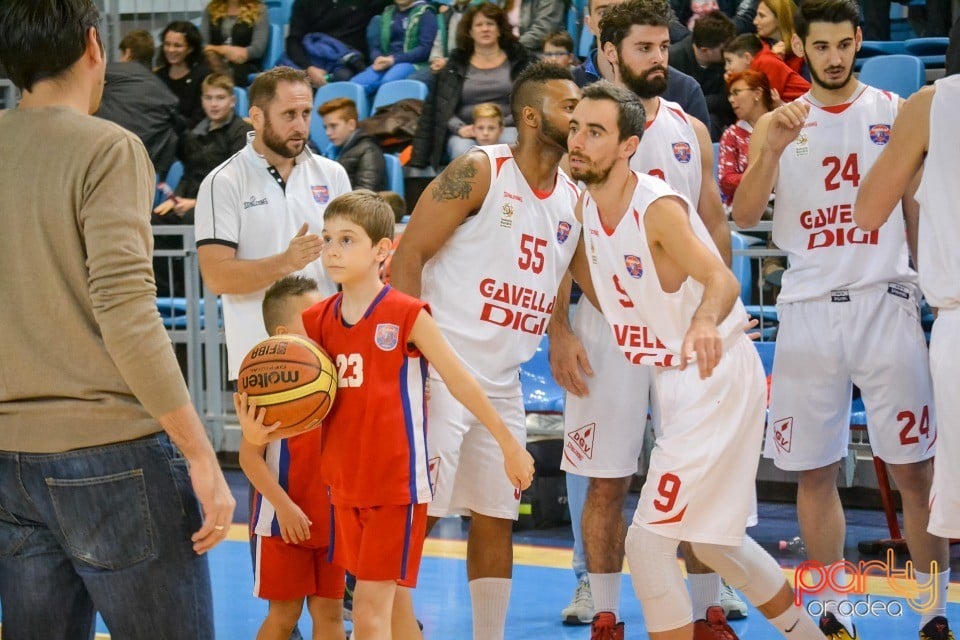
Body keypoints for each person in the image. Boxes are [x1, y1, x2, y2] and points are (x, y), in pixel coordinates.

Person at [0, 2, 235, 639]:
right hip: (111, 454)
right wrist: (200, 455)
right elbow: (127, 311)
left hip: (9, 461)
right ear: (92, 47)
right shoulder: (109, 147)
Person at [565, 78, 826, 640]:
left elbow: (722, 279)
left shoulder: (654, 206)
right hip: (681, 377)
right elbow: (597, 279)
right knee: (712, 540)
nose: (578, 141)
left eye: (595, 131)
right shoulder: (585, 205)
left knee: (649, 540)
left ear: (628, 145)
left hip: (714, 372)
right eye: (575, 128)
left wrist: (705, 319)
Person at [732, 2, 951, 638]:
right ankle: (833, 609)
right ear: (802, 45)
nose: (832, 57)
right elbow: (745, 216)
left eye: (842, 45)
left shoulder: (892, 109)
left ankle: (932, 612)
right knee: (814, 469)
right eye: (820, 46)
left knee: (917, 470)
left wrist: (929, 288)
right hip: (807, 312)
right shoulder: (778, 121)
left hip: (886, 301)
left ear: (858, 42)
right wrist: (769, 151)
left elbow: (912, 206)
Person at [242, 190, 536, 640]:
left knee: (367, 611)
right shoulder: (319, 320)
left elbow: (460, 380)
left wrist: (509, 444)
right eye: (328, 239)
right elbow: (289, 393)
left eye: (347, 240)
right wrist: (255, 428)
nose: (333, 250)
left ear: (382, 250)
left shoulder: (406, 313)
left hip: (393, 487)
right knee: (394, 602)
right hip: (340, 488)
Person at [549, 2, 740, 638]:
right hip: (607, 328)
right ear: (608, 52)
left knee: (698, 471)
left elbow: (714, 225)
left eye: (665, 45)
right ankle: (602, 603)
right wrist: (561, 329)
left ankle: (710, 603)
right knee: (605, 477)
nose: (660, 57)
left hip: (684, 329)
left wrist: (723, 316)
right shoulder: (577, 138)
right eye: (644, 48)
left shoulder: (689, 125)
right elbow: (555, 241)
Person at [391, 62, 582, 640]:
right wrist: (402, 356)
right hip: (440, 367)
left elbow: (557, 279)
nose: (578, 116)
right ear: (530, 116)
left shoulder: (572, 199)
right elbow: (409, 255)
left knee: (498, 514)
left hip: (502, 379)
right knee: (417, 512)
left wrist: (562, 331)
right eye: (567, 106)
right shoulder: (480, 170)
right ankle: (382, 623)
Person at [854, 75, 959, 640]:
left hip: (945, 312)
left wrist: (919, 168)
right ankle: (926, 612)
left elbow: (868, 211)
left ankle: (933, 611)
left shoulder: (929, 104)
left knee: (934, 485)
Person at [195, 66, 352, 383]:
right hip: (261, 358)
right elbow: (216, 277)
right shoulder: (222, 182)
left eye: (306, 113)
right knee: (262, 435)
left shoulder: (333, 174)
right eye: (289, 114)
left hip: (329, 352)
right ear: (257, 116)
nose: (300, 125)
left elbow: (352, 270)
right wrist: (286, 262)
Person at [239, 276, 345, 640]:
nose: (323, 323)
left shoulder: (334, 374)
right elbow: (249, 458)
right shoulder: (264, 389)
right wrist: (283, 506)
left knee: (330, 614)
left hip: (332, 517)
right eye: (313, 316)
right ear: (284, 334)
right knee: (284, 616)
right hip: (282, 521)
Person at [410, 2, 535, 170]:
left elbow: (529, 102)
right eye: (479, 25)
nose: (485, 29)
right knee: (463, 149)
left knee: (510, 143)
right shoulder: (454, 66)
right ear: (470, 31)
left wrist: (495, 126)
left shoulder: (520, 61)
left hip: (508, 126)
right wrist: (460, 128)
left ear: (499, 29)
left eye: (490, 24)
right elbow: (441, 108)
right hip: (465, 130)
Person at [572, 0, 712, 126]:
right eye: (604, 11)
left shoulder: (686, 90)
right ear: (589, 23)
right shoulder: (569, 84)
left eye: (624, 9)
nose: (614, 18)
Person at [155, 71, 253, 220]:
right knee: (152, 220)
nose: (213, 104)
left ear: (232, 101)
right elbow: (188, 175)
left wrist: (196, 203)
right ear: (202, 101)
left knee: (190, 217)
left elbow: (238, 182)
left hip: (224, 208)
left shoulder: (242, 133)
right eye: (208, 98)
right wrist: (175, 199)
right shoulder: (194, 135)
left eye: (220, 98)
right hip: (189, 204)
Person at [95, 29, 182, 177]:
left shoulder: (111, 72)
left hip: (109, 160)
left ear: (127, 52)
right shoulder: (165, 92)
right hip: (147, 167)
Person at [286, 0, 388, 88]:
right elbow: (293, 40)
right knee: (283, 79)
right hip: (313, 58)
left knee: (343, 78)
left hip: (346, 62)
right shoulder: (304, 2)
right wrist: (309, 68)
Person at [669, 10, 737, 140]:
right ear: (706, 50)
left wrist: (695, 101)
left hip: (714, 123)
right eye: (724, 48)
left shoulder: (727, 63)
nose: (730, 50)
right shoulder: (673, 59)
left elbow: (726, 101)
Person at [351, 0, 438, 97]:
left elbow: (425, 49)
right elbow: (376, 45)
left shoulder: (426, 13)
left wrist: (394, 60)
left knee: (388, 83)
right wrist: (377, 58)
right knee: (353, 85)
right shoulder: (388, 13)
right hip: (386, 61)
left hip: (413, 62)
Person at [318, 96, 387, 191]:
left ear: (351, 125)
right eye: (326, 127)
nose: (328, 132)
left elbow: (364, 196)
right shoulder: (330, 151)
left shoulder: (369, 151)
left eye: (333, 126)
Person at [201, 0, 270, 87]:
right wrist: (224, 50)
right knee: (208, 62)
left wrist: (243, 53)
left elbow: (258, 49)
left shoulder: (259, 8)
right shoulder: (211, 8)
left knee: (231, 71)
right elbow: (202, 45)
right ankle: (227, 90)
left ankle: (227, 91)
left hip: (245, 63)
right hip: (214, 59)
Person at [722, 33, 809, 102]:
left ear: (747, 58)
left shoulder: (766, 62)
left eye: (729, 61)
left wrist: (734, 82)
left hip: (813, 107)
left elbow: (762, 105)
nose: (726, 67)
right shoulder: (759, 64)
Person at [156, 20, 210, 127]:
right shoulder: (158, 76)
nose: (171, 50)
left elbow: (199, 118)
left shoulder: (203, 76)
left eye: (177, 45)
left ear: (190, 48)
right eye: (167, 44)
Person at [752, 0, 803, 75]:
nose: (755, 21)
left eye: (762, 16)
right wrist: (771, 60)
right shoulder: (752, 47)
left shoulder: (803, 51)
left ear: (780, 19)